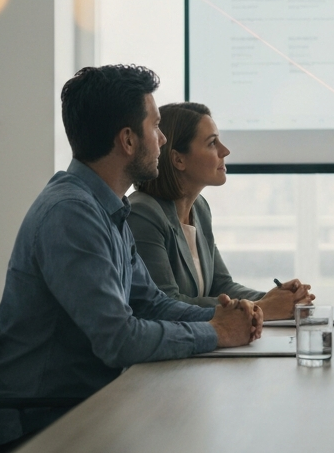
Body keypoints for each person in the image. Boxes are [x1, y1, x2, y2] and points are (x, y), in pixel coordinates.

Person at [0, 66, 262, 453]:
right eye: (156, 127)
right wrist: (217, 334)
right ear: (128, 140)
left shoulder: (105, 208)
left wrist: (223, 319)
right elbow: (118, 341)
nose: (163, 140)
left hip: (87, 402)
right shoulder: (71, 215)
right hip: (44, 424)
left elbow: (151, 302)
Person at [128, 102, 313, 321]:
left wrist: (277, 299)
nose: (225, 151)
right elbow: (168, 303)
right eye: (212, 143)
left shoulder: (200, 208)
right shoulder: (143, 214)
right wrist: (261, 307)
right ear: (178, 159)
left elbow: (221, 285)